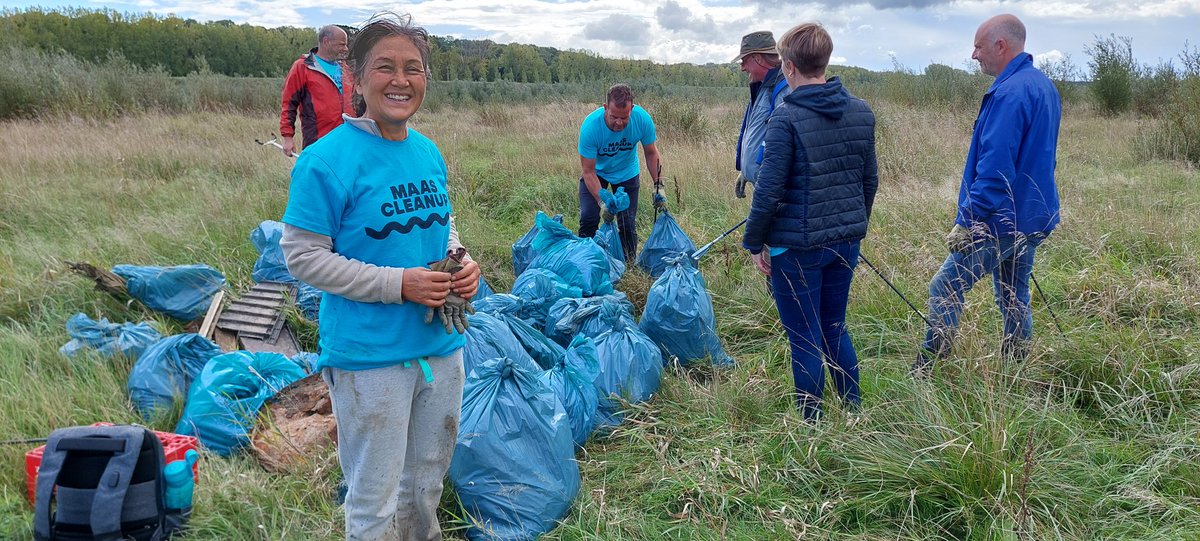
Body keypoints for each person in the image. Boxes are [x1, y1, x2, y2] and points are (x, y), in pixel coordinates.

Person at [279, 13, 480, 541]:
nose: (400, 80)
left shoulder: (426, 150)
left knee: (424, 488)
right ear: (356, 75)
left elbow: (445, 226)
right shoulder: (325, 161)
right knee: (374, 501)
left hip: (440, 349)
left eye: (413, 68)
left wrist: (461, 261)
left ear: (426, 78)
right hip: (370, 360)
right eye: (385, 67)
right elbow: (302, 256)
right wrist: (400, 284)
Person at [742, 22, 878, 421]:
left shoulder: (785, 118)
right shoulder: (861, 111)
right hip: (844, 242)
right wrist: (855, 224)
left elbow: (767, 192)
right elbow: (869, 180)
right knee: (834, 325)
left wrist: (754, 244)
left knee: (803, 336)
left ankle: (813, 426)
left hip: (796, 249)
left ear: (788, 66)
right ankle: (853, 412)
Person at [912, 14, 1061, 374]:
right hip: (1032, 215)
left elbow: (995, 170)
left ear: (1001, 46)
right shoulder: (1043, 86)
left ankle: (928, 368)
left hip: (1000, 220)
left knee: (945, 286)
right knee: (1014, 295)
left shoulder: (1008, 94)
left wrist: (969, 221)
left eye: (979, 46)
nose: (974, 54)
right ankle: (1016, 368)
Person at [576, 83, 664, 262]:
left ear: (632, 108)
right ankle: (584, 262)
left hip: (626, 172)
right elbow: (588, 171)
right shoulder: (590, 127)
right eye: (614, 116)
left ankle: (628, 264)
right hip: (597, 174)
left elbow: (651, 152)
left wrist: (658, 185)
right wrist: (602, 202)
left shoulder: (642, 119)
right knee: (589, 217)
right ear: (605, 107)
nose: (619, 123)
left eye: (624, 118)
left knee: (627, 223)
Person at [279, 24, 356, 157]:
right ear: (326, 42)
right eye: (341, 45)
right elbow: (289, 104)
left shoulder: (346, 68)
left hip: (349, 140)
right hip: (319, 141)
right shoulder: (302, 67)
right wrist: (287, 137)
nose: (345, 49)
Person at [733, 30, 791, 198]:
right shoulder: (762, 87)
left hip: (775, 192)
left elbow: (785, 146)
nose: (742, 67)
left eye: (744, 60)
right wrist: (746, 170)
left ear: (758, 58)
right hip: (764, 186)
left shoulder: (783, 90)